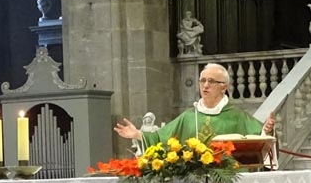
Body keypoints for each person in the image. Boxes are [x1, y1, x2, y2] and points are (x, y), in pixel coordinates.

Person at [114, 63, 275, 147]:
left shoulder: (236, 116)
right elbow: (160, 137)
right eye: (202, 80)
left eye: (211, 81)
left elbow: (259, 139)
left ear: (223, 87)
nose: (205, 85)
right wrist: (138, 134)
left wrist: (266, 130)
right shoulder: (190, 116)